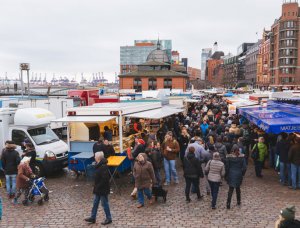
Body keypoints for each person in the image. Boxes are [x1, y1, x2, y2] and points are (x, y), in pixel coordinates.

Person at [85, 152, 112, 225]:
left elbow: (105, 179)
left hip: (102, 189)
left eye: (95, 156)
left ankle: (109, 218)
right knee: (95, 203)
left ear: (98, 158)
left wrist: (97, 186)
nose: (94, 157)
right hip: (98, 189)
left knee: (104, 204)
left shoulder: (103, 166)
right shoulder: (99, 165)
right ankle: (93, 217)